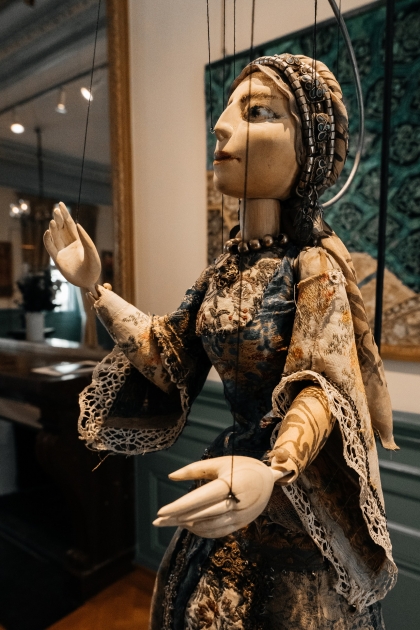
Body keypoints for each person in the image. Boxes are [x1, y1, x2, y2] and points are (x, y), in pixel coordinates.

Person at [44, 54, 397, 630]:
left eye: (257, 111)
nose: (220, 125)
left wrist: (275, 470)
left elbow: (322, 388)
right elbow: (168, 356)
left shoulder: (314, 267)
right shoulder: (223, 271)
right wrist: (95, 288)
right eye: (229, 108)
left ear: (308, 148)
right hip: (231, 477)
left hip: (285, 492)